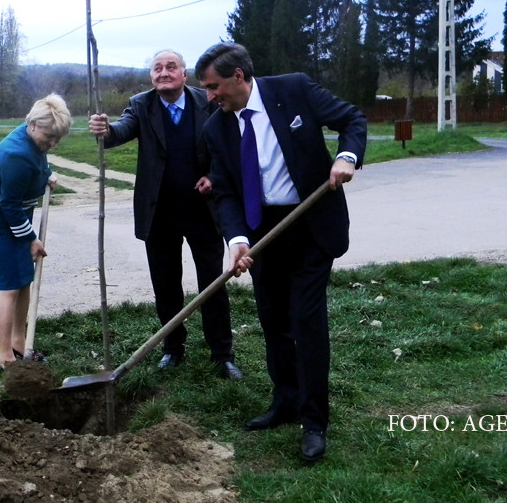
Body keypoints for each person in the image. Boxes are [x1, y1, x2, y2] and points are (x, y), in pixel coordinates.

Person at [194, 42, 367, 462]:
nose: (210, 96)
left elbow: (351, 119)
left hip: (309, 224)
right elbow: (225, 192)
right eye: (205, 89)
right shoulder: (215, 129)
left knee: (305, 321)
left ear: (238, 77)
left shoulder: (293, 90)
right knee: (273, 321)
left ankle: (314, 420)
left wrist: (346, 156)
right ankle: (286, 400)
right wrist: (236, 240)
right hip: (261, 230)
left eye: (214, 86)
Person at [88, 49, 242, 379]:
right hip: (159, 215)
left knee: (212, 284)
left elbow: (232, 144)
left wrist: (214, 178)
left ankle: (223, 353)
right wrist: (106, 130)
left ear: (184, 75)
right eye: (157, 68)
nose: (163, 73)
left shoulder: (209, 101)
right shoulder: (142, 105)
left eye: (171, 67)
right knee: (166, 285)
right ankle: (173, 349)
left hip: (203, 212)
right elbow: (122, 130)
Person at [0, 94, 72, 371]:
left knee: (23, 278)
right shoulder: (15, 155)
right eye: (49, 137)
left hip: (13, 215)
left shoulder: (32, 138)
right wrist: (31, 239)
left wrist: (46, 173)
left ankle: (19, 342)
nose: (52, 144)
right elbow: (10, 207)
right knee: (8, 285)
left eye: (57, 139)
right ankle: (4, 355)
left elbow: (38, 160)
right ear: (33, 125)